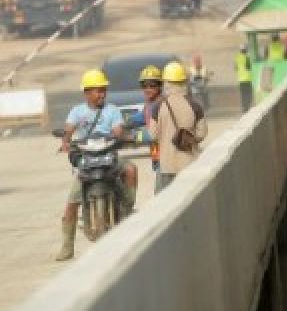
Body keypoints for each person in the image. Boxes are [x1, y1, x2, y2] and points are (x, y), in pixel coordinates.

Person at [54, 69, 138, 262]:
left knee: (131, 170)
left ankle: (127, 210)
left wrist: (123, 136)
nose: (101, 94)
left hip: (109, 157)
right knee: (71, 203)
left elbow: (117, 129)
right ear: (86, 93)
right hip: (86, 160)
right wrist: (65, 142)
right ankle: (67, 246)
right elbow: (68, 130)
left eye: (103, 90)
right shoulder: (77, 111)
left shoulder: (112, 110)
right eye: (97, 90)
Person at [148, 61, 208, 194]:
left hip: (167, 166)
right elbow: (202, 134)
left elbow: (152, 135)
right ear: (184, 82)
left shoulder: (157, 106)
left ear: (166, 83)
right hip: (190, 164)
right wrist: (188, 137)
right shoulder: (195, 105)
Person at [234, 44, 253, 112]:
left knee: (243, 95)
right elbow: (249, 67)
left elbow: (236, 68)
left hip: (241, 80)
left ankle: (244, 108)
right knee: (249, 94)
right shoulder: (247, 58)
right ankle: (248, 107)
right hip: (248, 79)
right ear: (246, 50)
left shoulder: (237, 58)